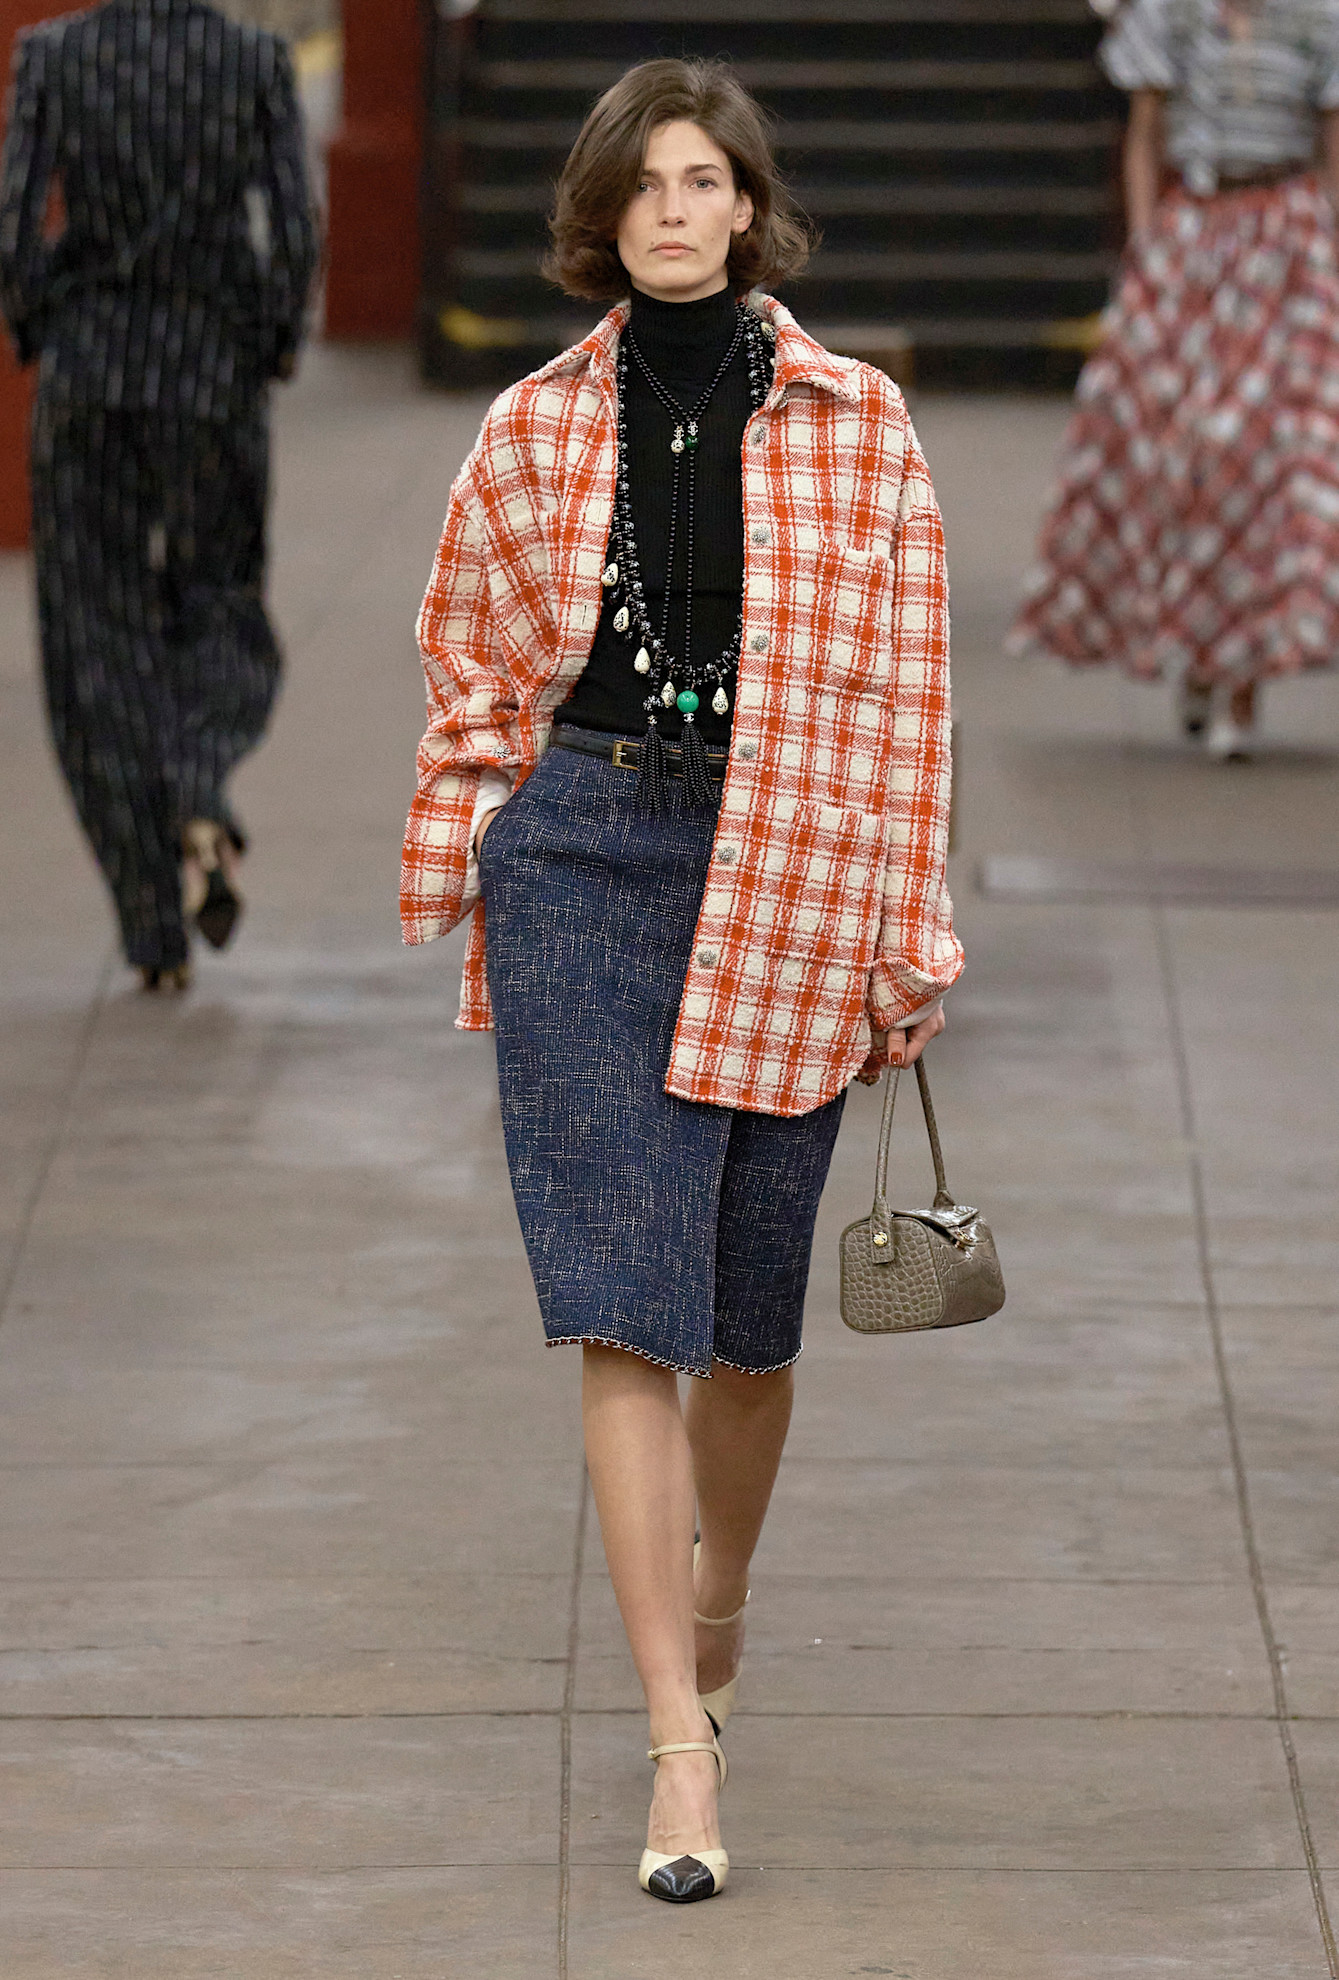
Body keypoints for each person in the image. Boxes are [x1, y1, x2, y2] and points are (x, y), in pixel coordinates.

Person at [401, 58, 960, 1904]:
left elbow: (904, 704)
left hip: (788, 861)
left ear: (745, 206)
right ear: (598, 209)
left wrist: (903, 927)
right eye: (637, 180)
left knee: (744, 1325)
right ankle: (673, 1744)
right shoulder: (532, 426)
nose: (667, 208)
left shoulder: (857, 422)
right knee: (616, 1305)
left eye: (700, 178)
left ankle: (719, 1586)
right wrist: (489, 836)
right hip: (581, 864)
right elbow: (468, 658)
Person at [0, 0, 318, 990]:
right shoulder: (255, 61)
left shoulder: (53, 56)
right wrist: (264, 343)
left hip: (90, 374)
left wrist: (44, 323)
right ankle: (199, 779)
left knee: (91, 632)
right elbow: (295, 232)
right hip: (211, 370)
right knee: (220, 592)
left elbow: (15, 224)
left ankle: (150, 925)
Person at [1009, 0, 1339, 761]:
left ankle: (1240, 680)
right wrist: (1144, 242)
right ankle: (1197, 649)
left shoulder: (1315, 18)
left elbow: (1330, 147)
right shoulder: (1171, 13)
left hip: (1284, 242)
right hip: (1192, 234)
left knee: (1262, 457)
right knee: (1176, 451)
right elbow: (1144, 134)